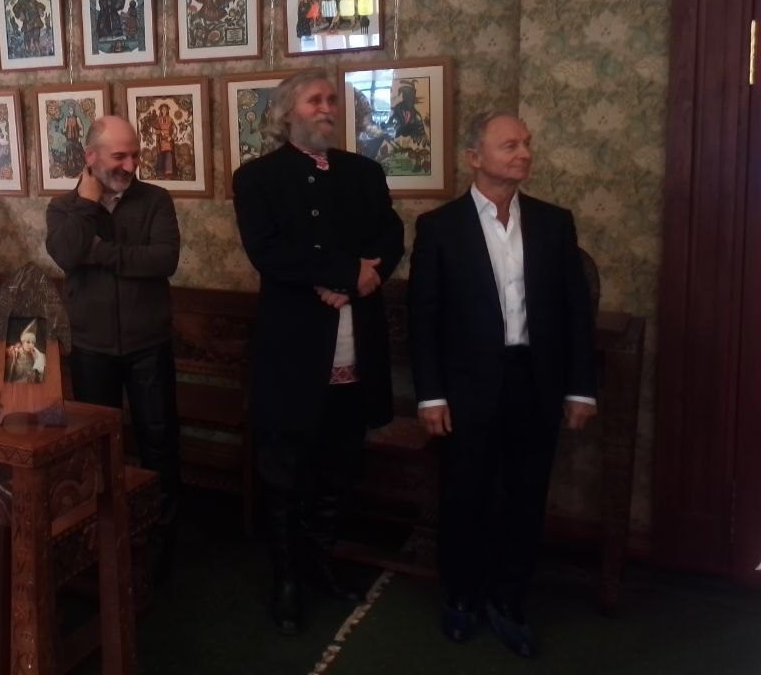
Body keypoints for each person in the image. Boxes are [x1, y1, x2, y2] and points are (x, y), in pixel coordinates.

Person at [409, 111, 596, 658]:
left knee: (525, 496)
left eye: (527, 143)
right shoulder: (440, 227)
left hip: (535, 381)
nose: (524, 153)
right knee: (464, 494)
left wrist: (580, 388)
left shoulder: (554, 223)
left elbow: (574, 312)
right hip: (466, 388)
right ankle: (461, 596)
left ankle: (510, 600)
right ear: (475, 157)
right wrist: (431, 394)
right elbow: (424, 317)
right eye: (509, 144)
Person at [232, 68, 404, 635]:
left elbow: (390, 237)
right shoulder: (257, 178)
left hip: (356, 340)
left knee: (340, 465)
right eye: (315, 100)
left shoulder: (364, 172)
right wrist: (342, 273)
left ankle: (320, 561)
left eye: (332, 99)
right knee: (285, 471)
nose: (328, 107)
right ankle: (286, 578)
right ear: (288, 113)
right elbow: (268, 251)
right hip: (294, 348)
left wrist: (359, 280)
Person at [45, 115, 182, 578]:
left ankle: (162, 539)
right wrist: (87, 205)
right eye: (119, 156)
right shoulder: (65, 208)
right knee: (96, 445)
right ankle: (98, 536)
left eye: (135, 155)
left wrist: (101, 253)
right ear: (91, 156)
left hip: (149, 344)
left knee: (159, 441)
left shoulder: (155, 200)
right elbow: (67, 253)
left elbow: (164, 260)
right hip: (92, 346)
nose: (130, 164)